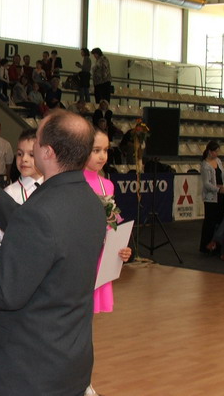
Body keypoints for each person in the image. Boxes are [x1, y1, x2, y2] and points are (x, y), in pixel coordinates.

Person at [0, 110, 105, 396]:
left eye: (37, 140)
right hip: (70, 361)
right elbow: (45, 239)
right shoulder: (91, 202)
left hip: (28, 370)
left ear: (47, 152)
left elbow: (3, 291)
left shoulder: (40, 212)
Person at [83, 128, 131, 396]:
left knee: (86, 328)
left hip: (100, 260)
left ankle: (84, 382)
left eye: (105, 151)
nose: (102, 156)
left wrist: (122, 248)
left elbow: (114, 222)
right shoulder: (75, 180)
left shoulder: (107, 185)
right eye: (96, 150)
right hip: (81, 258)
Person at [0, 128, 44, 246]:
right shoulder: (9, 193)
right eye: (20, 154)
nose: (24, 159)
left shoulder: (51, 187)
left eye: (31, 155)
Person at [199, 141, 224, 254]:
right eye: (216, 151)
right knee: (210, 222)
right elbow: (206, 184)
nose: (217, 153)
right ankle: (206, 246)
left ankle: (217, 245)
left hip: (220, 196)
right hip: (210, 198)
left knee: (219, 220)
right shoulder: (205, 165)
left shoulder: (218, 161)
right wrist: (218, 189)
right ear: (210, 151)